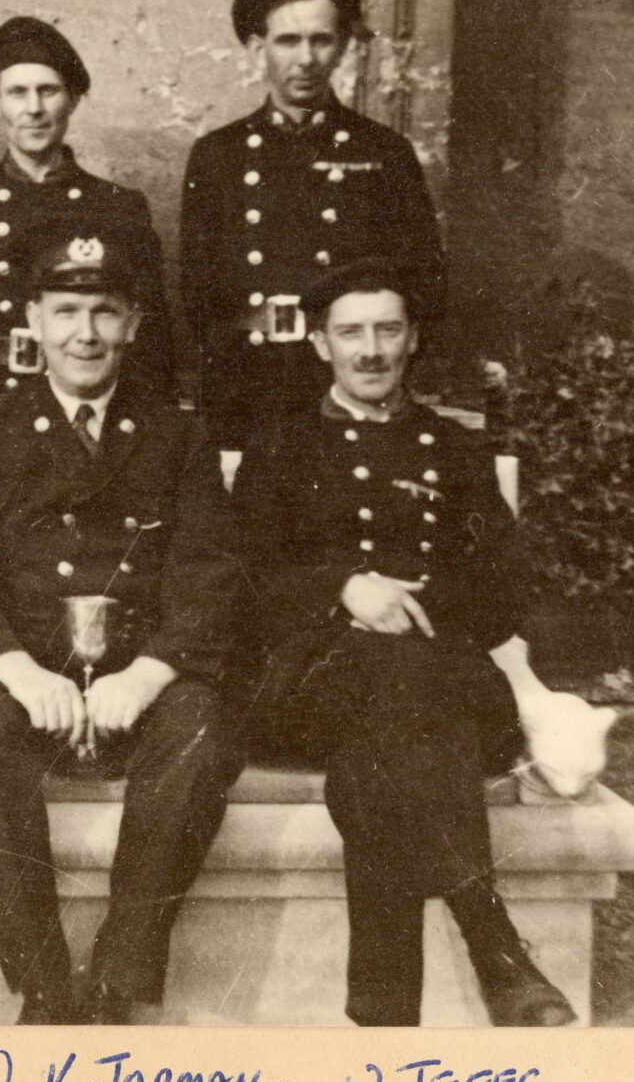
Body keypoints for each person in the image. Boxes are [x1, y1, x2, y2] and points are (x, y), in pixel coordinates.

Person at [230, 253, 575, 1028]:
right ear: (319, 343)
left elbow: (506, 585)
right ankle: (497, 950)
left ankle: (383, 1016)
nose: (371, 349)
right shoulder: (281, 447)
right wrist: (342, 589)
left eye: (388, 328)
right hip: (311, 685)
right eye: (350, 332)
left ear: (413, 337)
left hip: (439, 683)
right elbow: (243, 581)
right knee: (395, 704)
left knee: (381, 744)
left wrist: (415, 604)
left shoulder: (454, 448)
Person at [0, 231, 244, 1024]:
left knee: (200, 735)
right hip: (23, 669)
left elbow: (211, 570)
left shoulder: (178, 435)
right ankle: (45, 981)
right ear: (33, 320)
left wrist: (151, 672)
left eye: (104, 311)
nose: (85, 333)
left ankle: (117, 977)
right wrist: (21, 672)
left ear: (133, 322)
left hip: (140, 672)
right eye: (66, 311)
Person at [178, 0, 448, 450]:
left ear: (343, 47)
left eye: (321, 40)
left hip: (346, 393)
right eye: (288, 40)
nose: (306, 58)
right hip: (245, 392)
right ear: (258, 49)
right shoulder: (218, 156)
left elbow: (425, 285)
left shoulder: (383, 153)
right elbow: (197, 297)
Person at [0, 15, 172, 454]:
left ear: (73, 99)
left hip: (87, 411)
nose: (33, 109)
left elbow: (148, 339)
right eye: (17, 92)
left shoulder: (118, 207)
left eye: (48, 91)